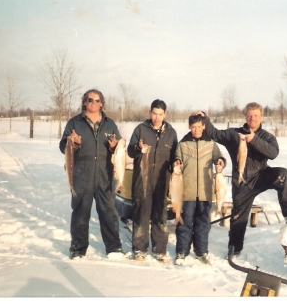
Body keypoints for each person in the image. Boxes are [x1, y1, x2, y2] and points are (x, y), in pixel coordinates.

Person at [194, 102, 287, 257]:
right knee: (238, 217)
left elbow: (273, 153)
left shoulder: (266, 136)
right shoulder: (235, 134)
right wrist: (204, 119)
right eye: (249, 115)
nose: (252, 118)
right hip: (242, 181)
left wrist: (254, 140)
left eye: (255, 116)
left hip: (262, 175)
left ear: (261, 117)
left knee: (283, 175)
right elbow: (215, 134)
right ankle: (234, 249)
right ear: (245, 116)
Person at [59, 89, 126, 260]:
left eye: (97, 100)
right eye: (90, 100)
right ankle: (78, 249)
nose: (93, 103)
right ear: (84, 102)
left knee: (108, 211)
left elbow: (118, 148)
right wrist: (72, 143)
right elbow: (63, 147)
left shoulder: (109, 124)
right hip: (82, 172)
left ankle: (114, 248)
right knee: (81, 211)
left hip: (105, 173)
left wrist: (113, 146)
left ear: (101, 103)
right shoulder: (75, 123)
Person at [127, 99, 178, 263]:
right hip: (142, 180)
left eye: (160, 114)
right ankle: (140, 249)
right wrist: (137, 148)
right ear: (150, 113)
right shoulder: (141, 129)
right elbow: (130, 151)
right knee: (141, 213)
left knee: (160, 215)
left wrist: (177, 162)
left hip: (162, 181)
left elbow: (175, 155)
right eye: (154, 113)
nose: (157, 117)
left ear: (165, 114)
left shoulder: (171, 133)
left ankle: (159, 250)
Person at [173, 114, 227, 266]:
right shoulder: (182, 144)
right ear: (189, 127)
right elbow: (176, 158)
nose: (196, 130)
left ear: (204, 126)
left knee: (203, 223)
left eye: (199, 126)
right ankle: (182, 251)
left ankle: (201, 251)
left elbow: (219, 157)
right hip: (187, 192)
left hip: (205, 191)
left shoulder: (210, 143)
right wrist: (176, 162)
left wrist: (220, 162)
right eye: (193, 127)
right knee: (185, 222)